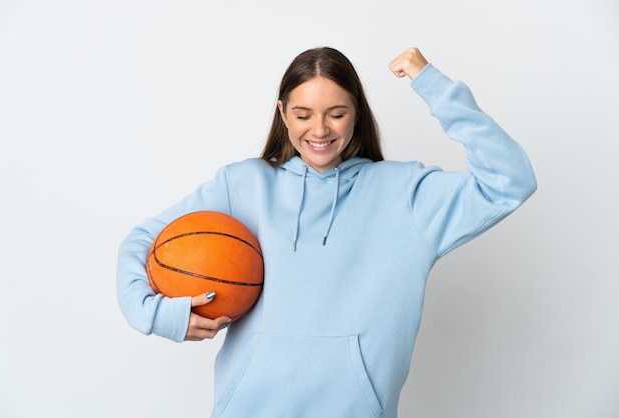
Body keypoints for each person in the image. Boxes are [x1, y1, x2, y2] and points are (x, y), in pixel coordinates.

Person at [117, 46, 536, 418]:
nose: (319, 130)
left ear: (358, 113)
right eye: (303, 115)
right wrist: (157, 315)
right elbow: (142, 243)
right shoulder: (242, 185)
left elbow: (510, 180)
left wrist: (434, 86)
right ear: (282, 114)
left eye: (336, 114)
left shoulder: (406, 194)